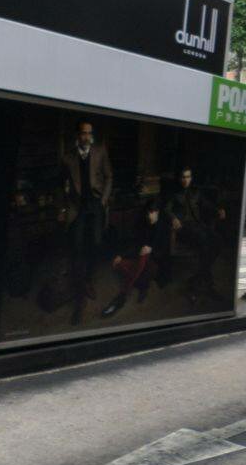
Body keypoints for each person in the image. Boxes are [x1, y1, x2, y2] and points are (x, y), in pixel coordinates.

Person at [59, 120, 113, 325]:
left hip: (96, 206)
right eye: (83, 133)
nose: (86, 137)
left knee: (96, 244)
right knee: (78, 248)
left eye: (89, 133)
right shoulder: (67, 158)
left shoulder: (100, 152)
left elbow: (109, 177)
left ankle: (89, 278)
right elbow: (58, 185)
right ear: (77, 135)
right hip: (77, 209)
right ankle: (80, 299)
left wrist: (103, 200)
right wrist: (63, 207)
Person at [165, 167, 227, 305]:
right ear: (179, 179)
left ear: (191, 178)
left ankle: (195, 280)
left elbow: (206, 205)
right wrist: (173, 218)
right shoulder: (174, 194)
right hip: (184, 229)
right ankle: (208, 286)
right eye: (183, 177)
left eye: (188, 177)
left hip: (198, 226)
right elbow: (166, 209)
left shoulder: (196, 193)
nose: (185, 180)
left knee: (218, 241)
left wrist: (218, 210)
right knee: (205, 242)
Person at [100, 199, 170, 318]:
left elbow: (165, 250)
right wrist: (121, 255)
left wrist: (151, 249)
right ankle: (142, 285)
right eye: (147, 213)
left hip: (154, 261)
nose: (149, 216)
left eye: (152, 212)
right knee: (120, 263)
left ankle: (122, 297)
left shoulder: (163, 227)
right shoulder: (144, 225)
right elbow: (136, 245)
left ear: (157, 212)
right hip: (140, 258)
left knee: (142, 259)